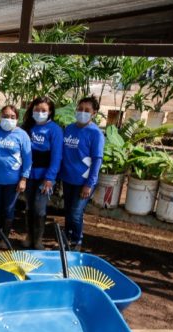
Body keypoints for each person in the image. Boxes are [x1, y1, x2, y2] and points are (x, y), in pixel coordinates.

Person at [59, 95, 105, 251]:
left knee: (76, 213)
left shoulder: (95, 133)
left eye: (87, 110)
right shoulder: (69, 129)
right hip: (68, 179)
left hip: (84, 182)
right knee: (67, 211)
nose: (82, 112)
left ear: (94, 113)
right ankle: (66, 239)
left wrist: (89, 184)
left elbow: (97, 160)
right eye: (80, 109)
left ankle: (77, 240)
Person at [0, 105, 32, 249]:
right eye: (5, 116)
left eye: (12, 117)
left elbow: (28, 159)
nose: (8, 119)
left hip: (13, 182)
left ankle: (4, 237)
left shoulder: (22, 135)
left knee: (9, 209)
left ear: (17, 119)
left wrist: (24, 179)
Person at [21, 97, 63, 249]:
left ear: (50, 112)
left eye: (43, 110)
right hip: (28, 175)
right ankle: (29, 235)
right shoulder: (27, 127)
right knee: (29, 206)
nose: (40, 113)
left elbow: (57, 156)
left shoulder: (55, 130)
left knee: (40, 208)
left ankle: (38, 239)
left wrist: (50, 178)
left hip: (44, 177)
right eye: (37, 110)